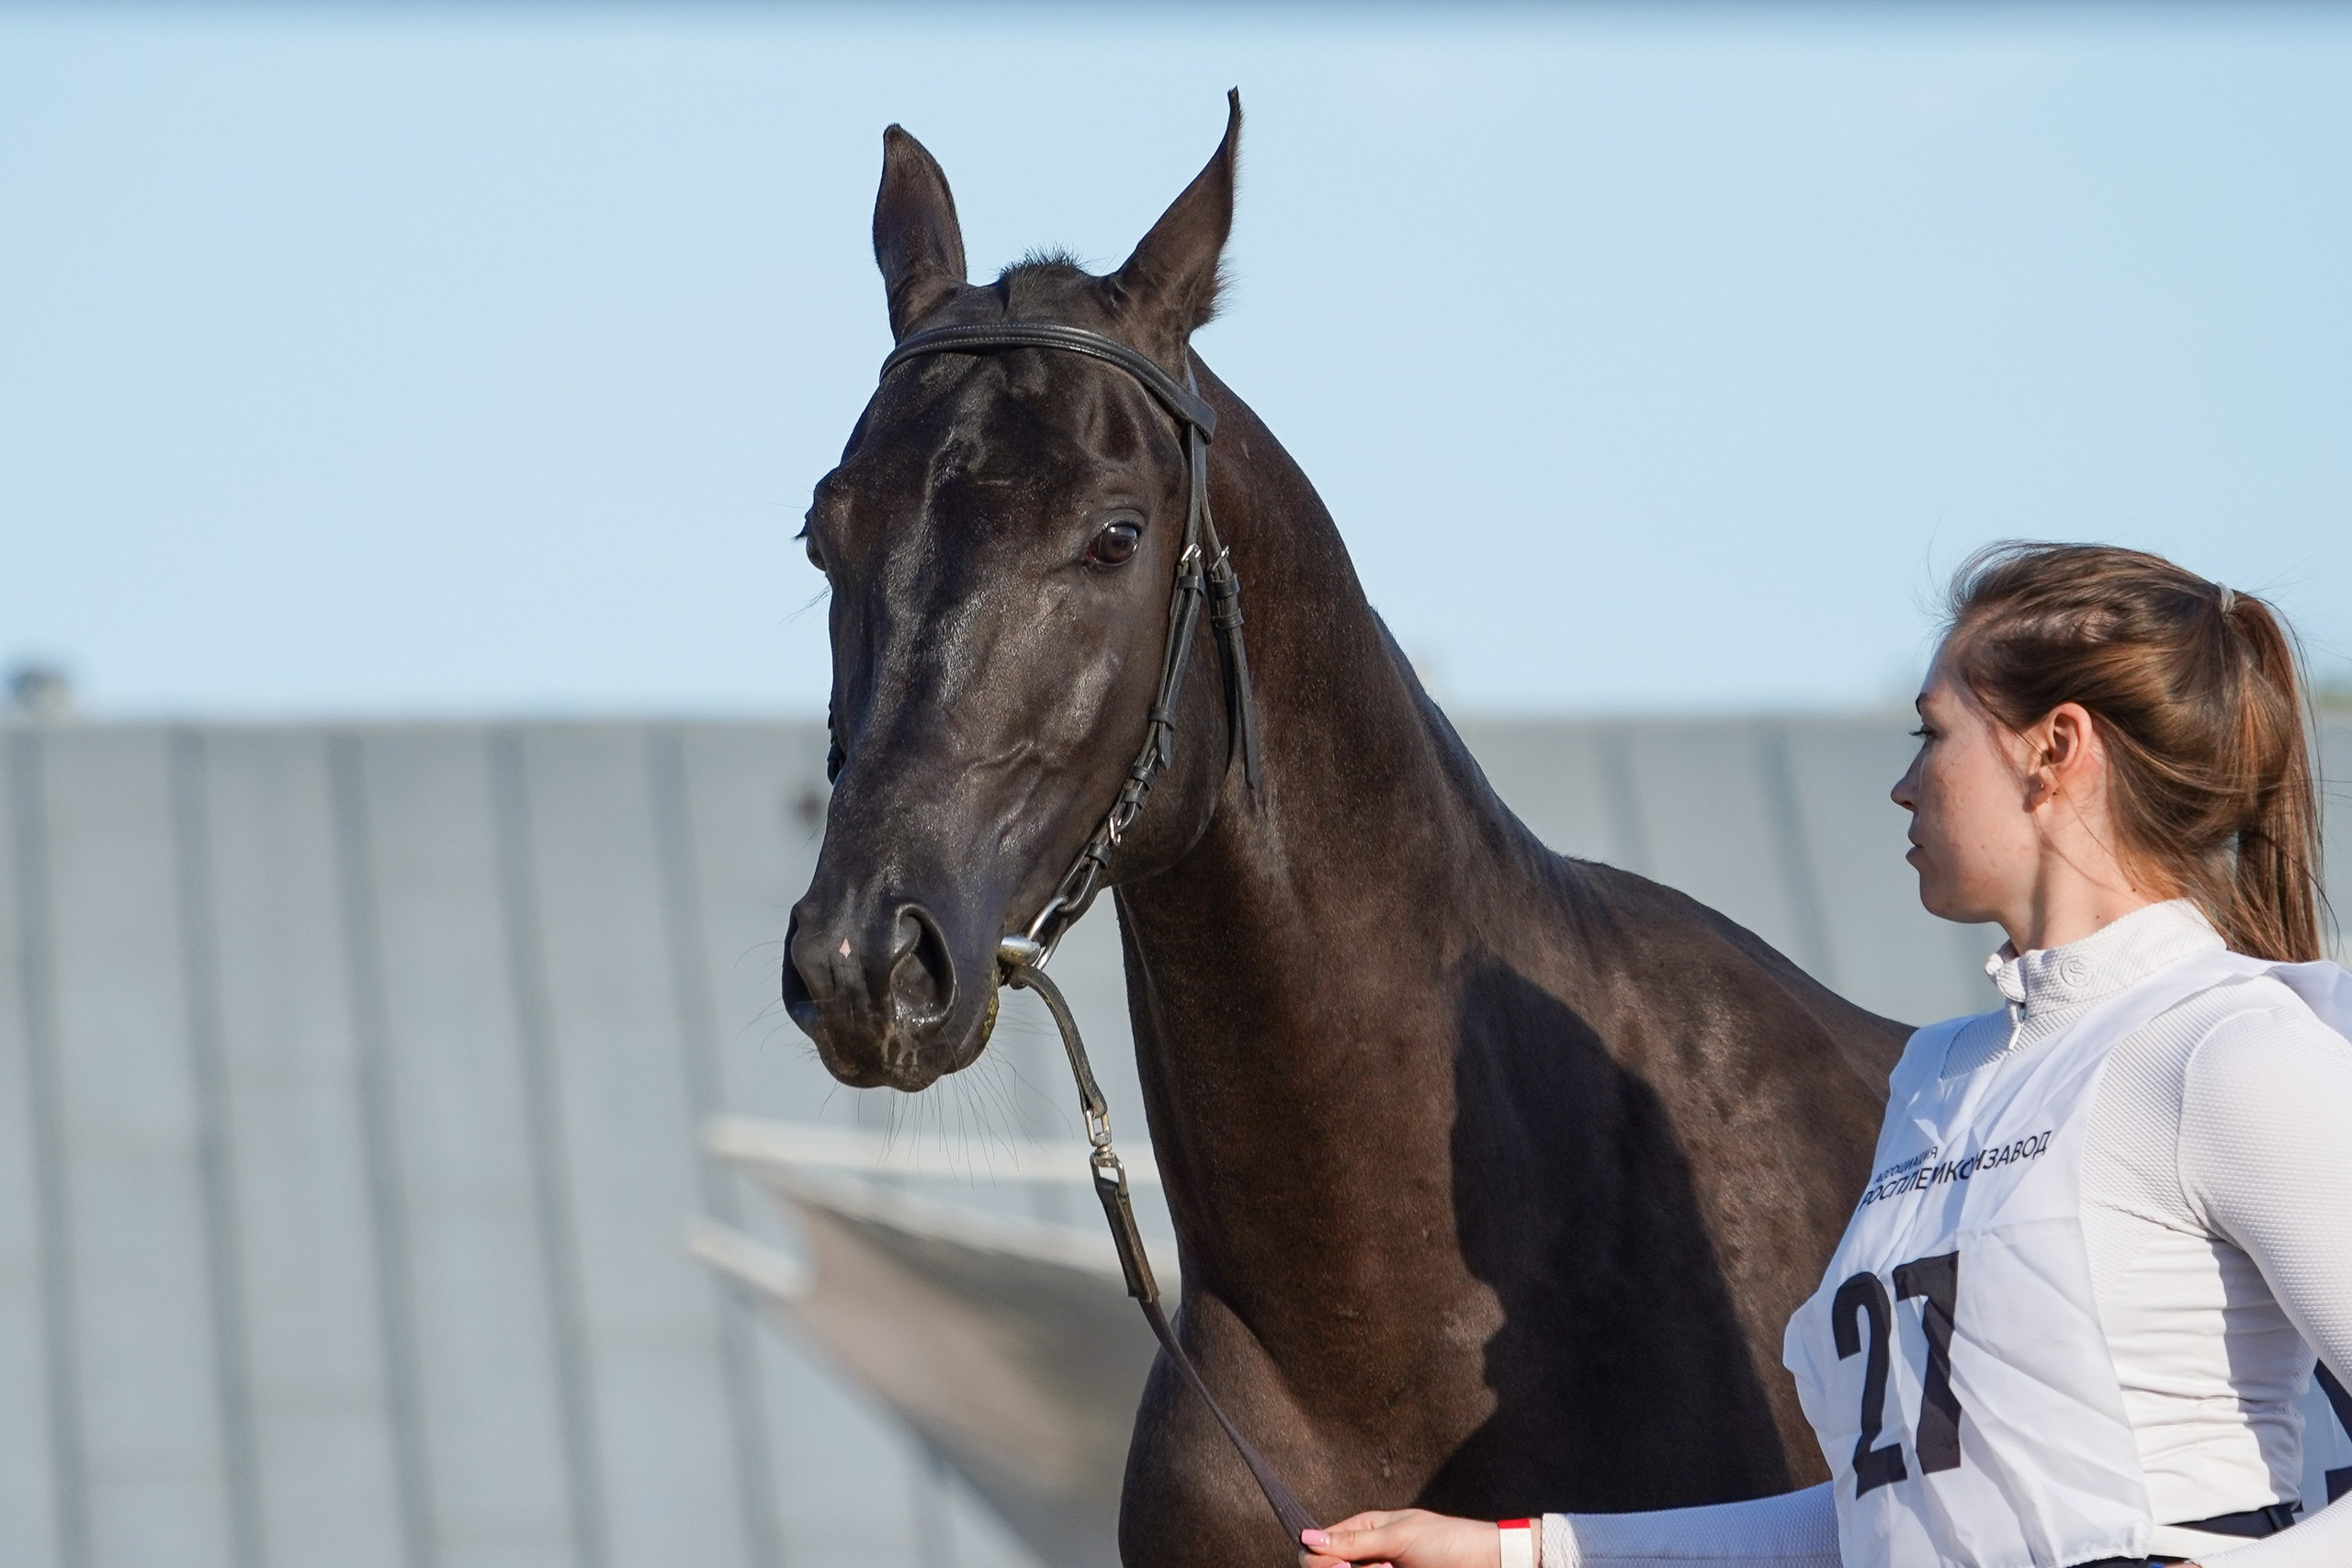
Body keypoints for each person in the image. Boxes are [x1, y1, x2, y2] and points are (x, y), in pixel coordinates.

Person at [1299, 543, 2352, 1568]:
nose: (1902, 786)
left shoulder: (2225, 1051)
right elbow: (1876, 1522)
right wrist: (1514, 1555)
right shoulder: (1938, 1076)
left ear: (2053, 747)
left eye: (1931, 733)